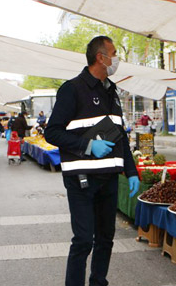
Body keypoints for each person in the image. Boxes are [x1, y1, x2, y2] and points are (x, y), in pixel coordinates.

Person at [45, 36, 139, 286]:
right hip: (81, 180)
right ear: (101, 57)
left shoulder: (112, 90)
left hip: (109, 179)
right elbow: (52, 132)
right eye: (114, 53)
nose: (117, 58)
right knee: (84, 240)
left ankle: (99, 282)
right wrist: (88, 145)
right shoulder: (72, 89)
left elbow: (119, 133)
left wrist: (131, 170)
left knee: (106, 238)